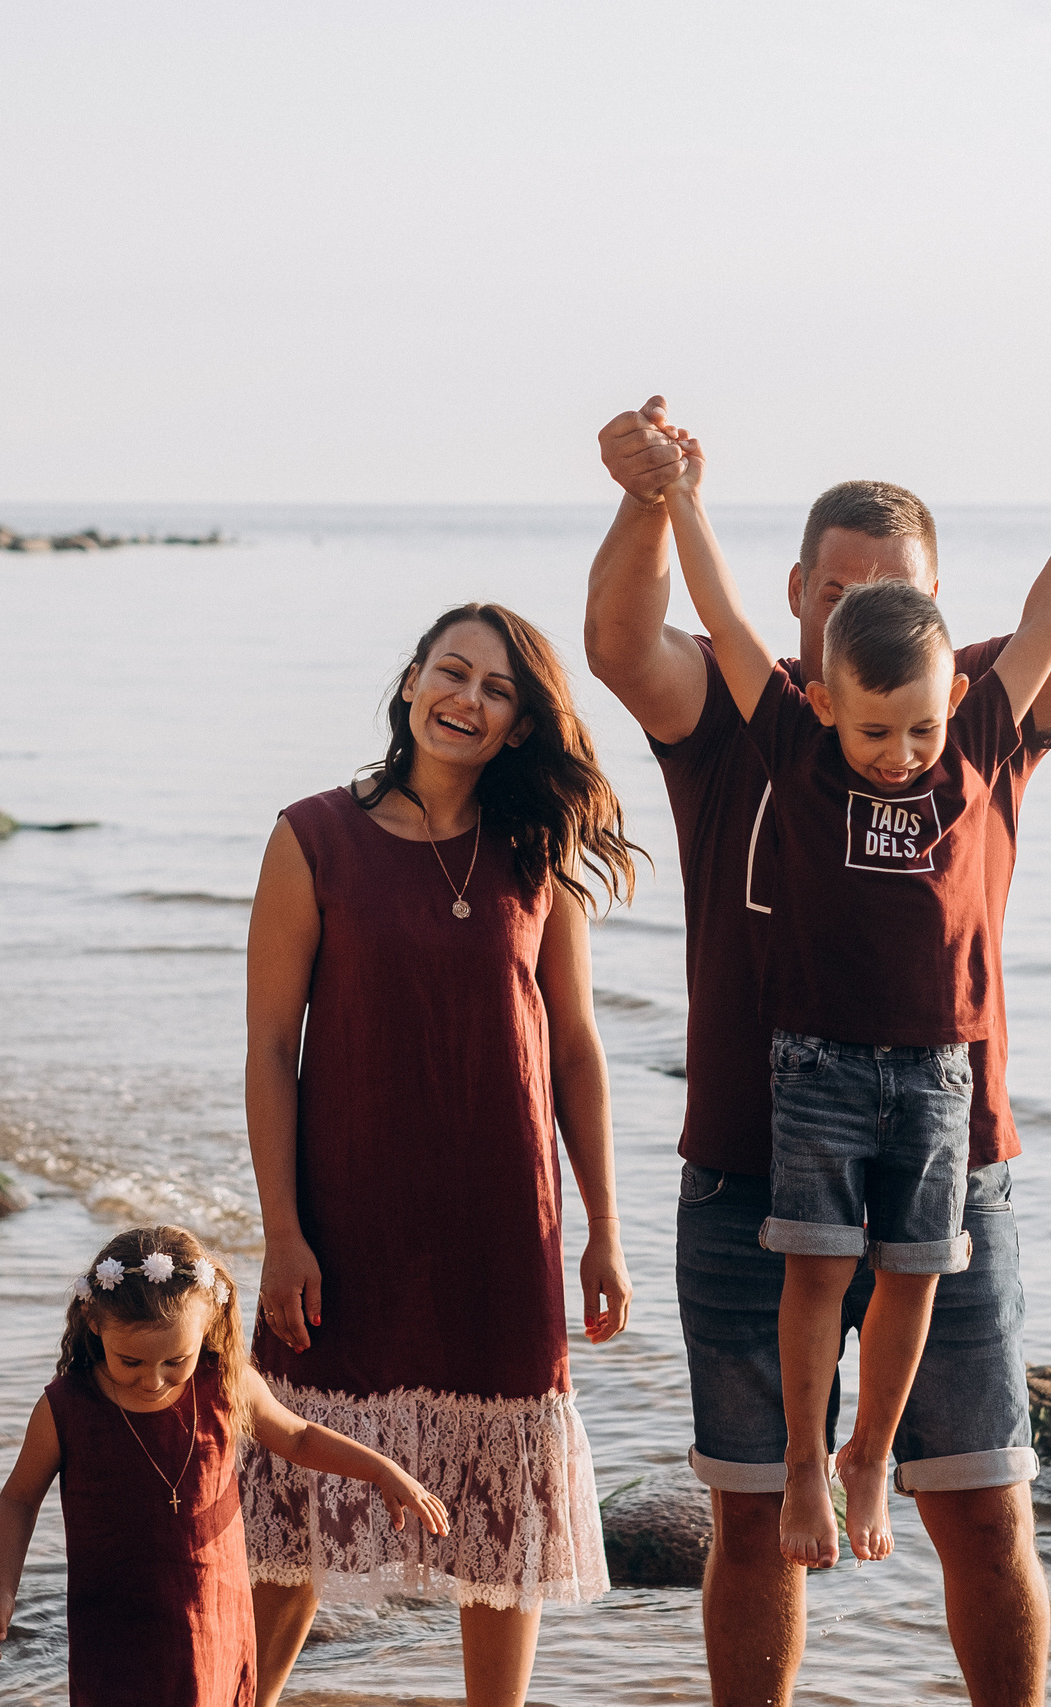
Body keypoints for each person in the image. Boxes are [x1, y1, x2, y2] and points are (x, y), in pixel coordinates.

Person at [585, 395, 1051, 1706]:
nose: (864, 617)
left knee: (981, 1508)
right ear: (802, 591)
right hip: (750, 1163)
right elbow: (631, 639)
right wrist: (660, 494)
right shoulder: (766, 724)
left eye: (893, 594)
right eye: (839, 590)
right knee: (748, 1521)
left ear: (940, 615)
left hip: (949, 1154)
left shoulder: (969, 722)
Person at [661, 424, 1051, 1571]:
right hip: (813, 1072)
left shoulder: (971, 735)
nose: (899, 754)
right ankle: (808, 1471)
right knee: (814, 1270)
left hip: (937, 1077)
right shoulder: (793, 747)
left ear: (954, 699)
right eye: (875, 732)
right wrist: (680, 501)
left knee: (921, 1270)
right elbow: (723, 620)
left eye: (919, 728)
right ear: (820, 703)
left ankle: (870, 1451)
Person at [241, 602, 644, 1707]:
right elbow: (272, 1047)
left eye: (497, 688)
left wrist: (605, 1227)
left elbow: (576, 1051)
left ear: (519, 726)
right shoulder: (311, 835)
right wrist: (283, 1233)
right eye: (451, 672)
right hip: (347, 1217)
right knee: (291, 1511)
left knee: (497, 1522)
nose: (468, 697)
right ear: (412, 680)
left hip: (502, 1225)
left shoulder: (535, 853)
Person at [0, 1224, 449, 1707]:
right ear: (94, 1322)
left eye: (175, 1360)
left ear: (208, 1323)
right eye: (130, 1361)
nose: (153, 1380)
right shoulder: (68, 1407)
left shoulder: (225, 1384)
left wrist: (383, 1469)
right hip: (113, 1628)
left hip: (210, 1613)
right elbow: (19, 1499)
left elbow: (300, 1438)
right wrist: (1, 1591)